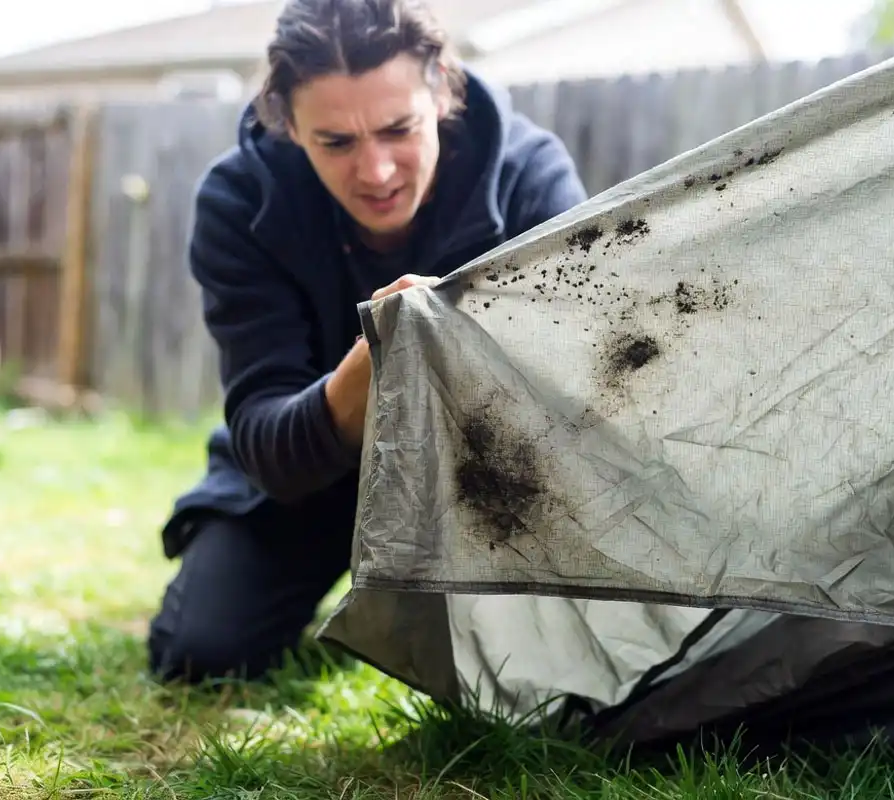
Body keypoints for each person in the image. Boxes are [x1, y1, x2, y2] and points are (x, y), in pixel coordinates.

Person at [146, 0, 589, 683]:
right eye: (337, 142)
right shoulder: (237, 203)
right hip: (307, 480)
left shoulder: (531, 177)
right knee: (202, 655)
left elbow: (579, 401)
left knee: (530, 678)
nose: (376, 171)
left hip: (476, 482)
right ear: (289, 125)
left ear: (441, 89)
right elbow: (265, 441)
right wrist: (380, 356)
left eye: (398, 129)